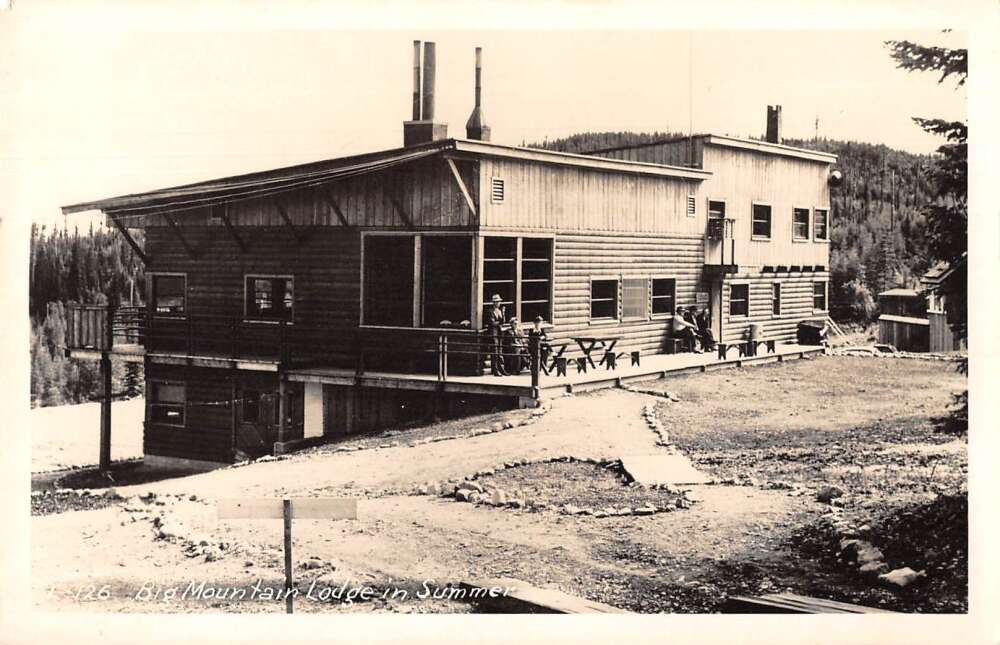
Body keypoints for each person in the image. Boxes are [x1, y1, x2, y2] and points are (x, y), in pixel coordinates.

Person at [485, 293, 508, 375]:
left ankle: (501, 369)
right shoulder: (490, 311)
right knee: (494, 352)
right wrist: (499, 323)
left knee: (500, 351)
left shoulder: (499, 311)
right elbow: (492, 323)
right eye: (497, 302)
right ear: (494, 303)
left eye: (499, 302)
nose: (498, 303)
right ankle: (495, 370)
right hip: (493, 333)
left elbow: (503, 321)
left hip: (499, 333)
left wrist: (503, 313)